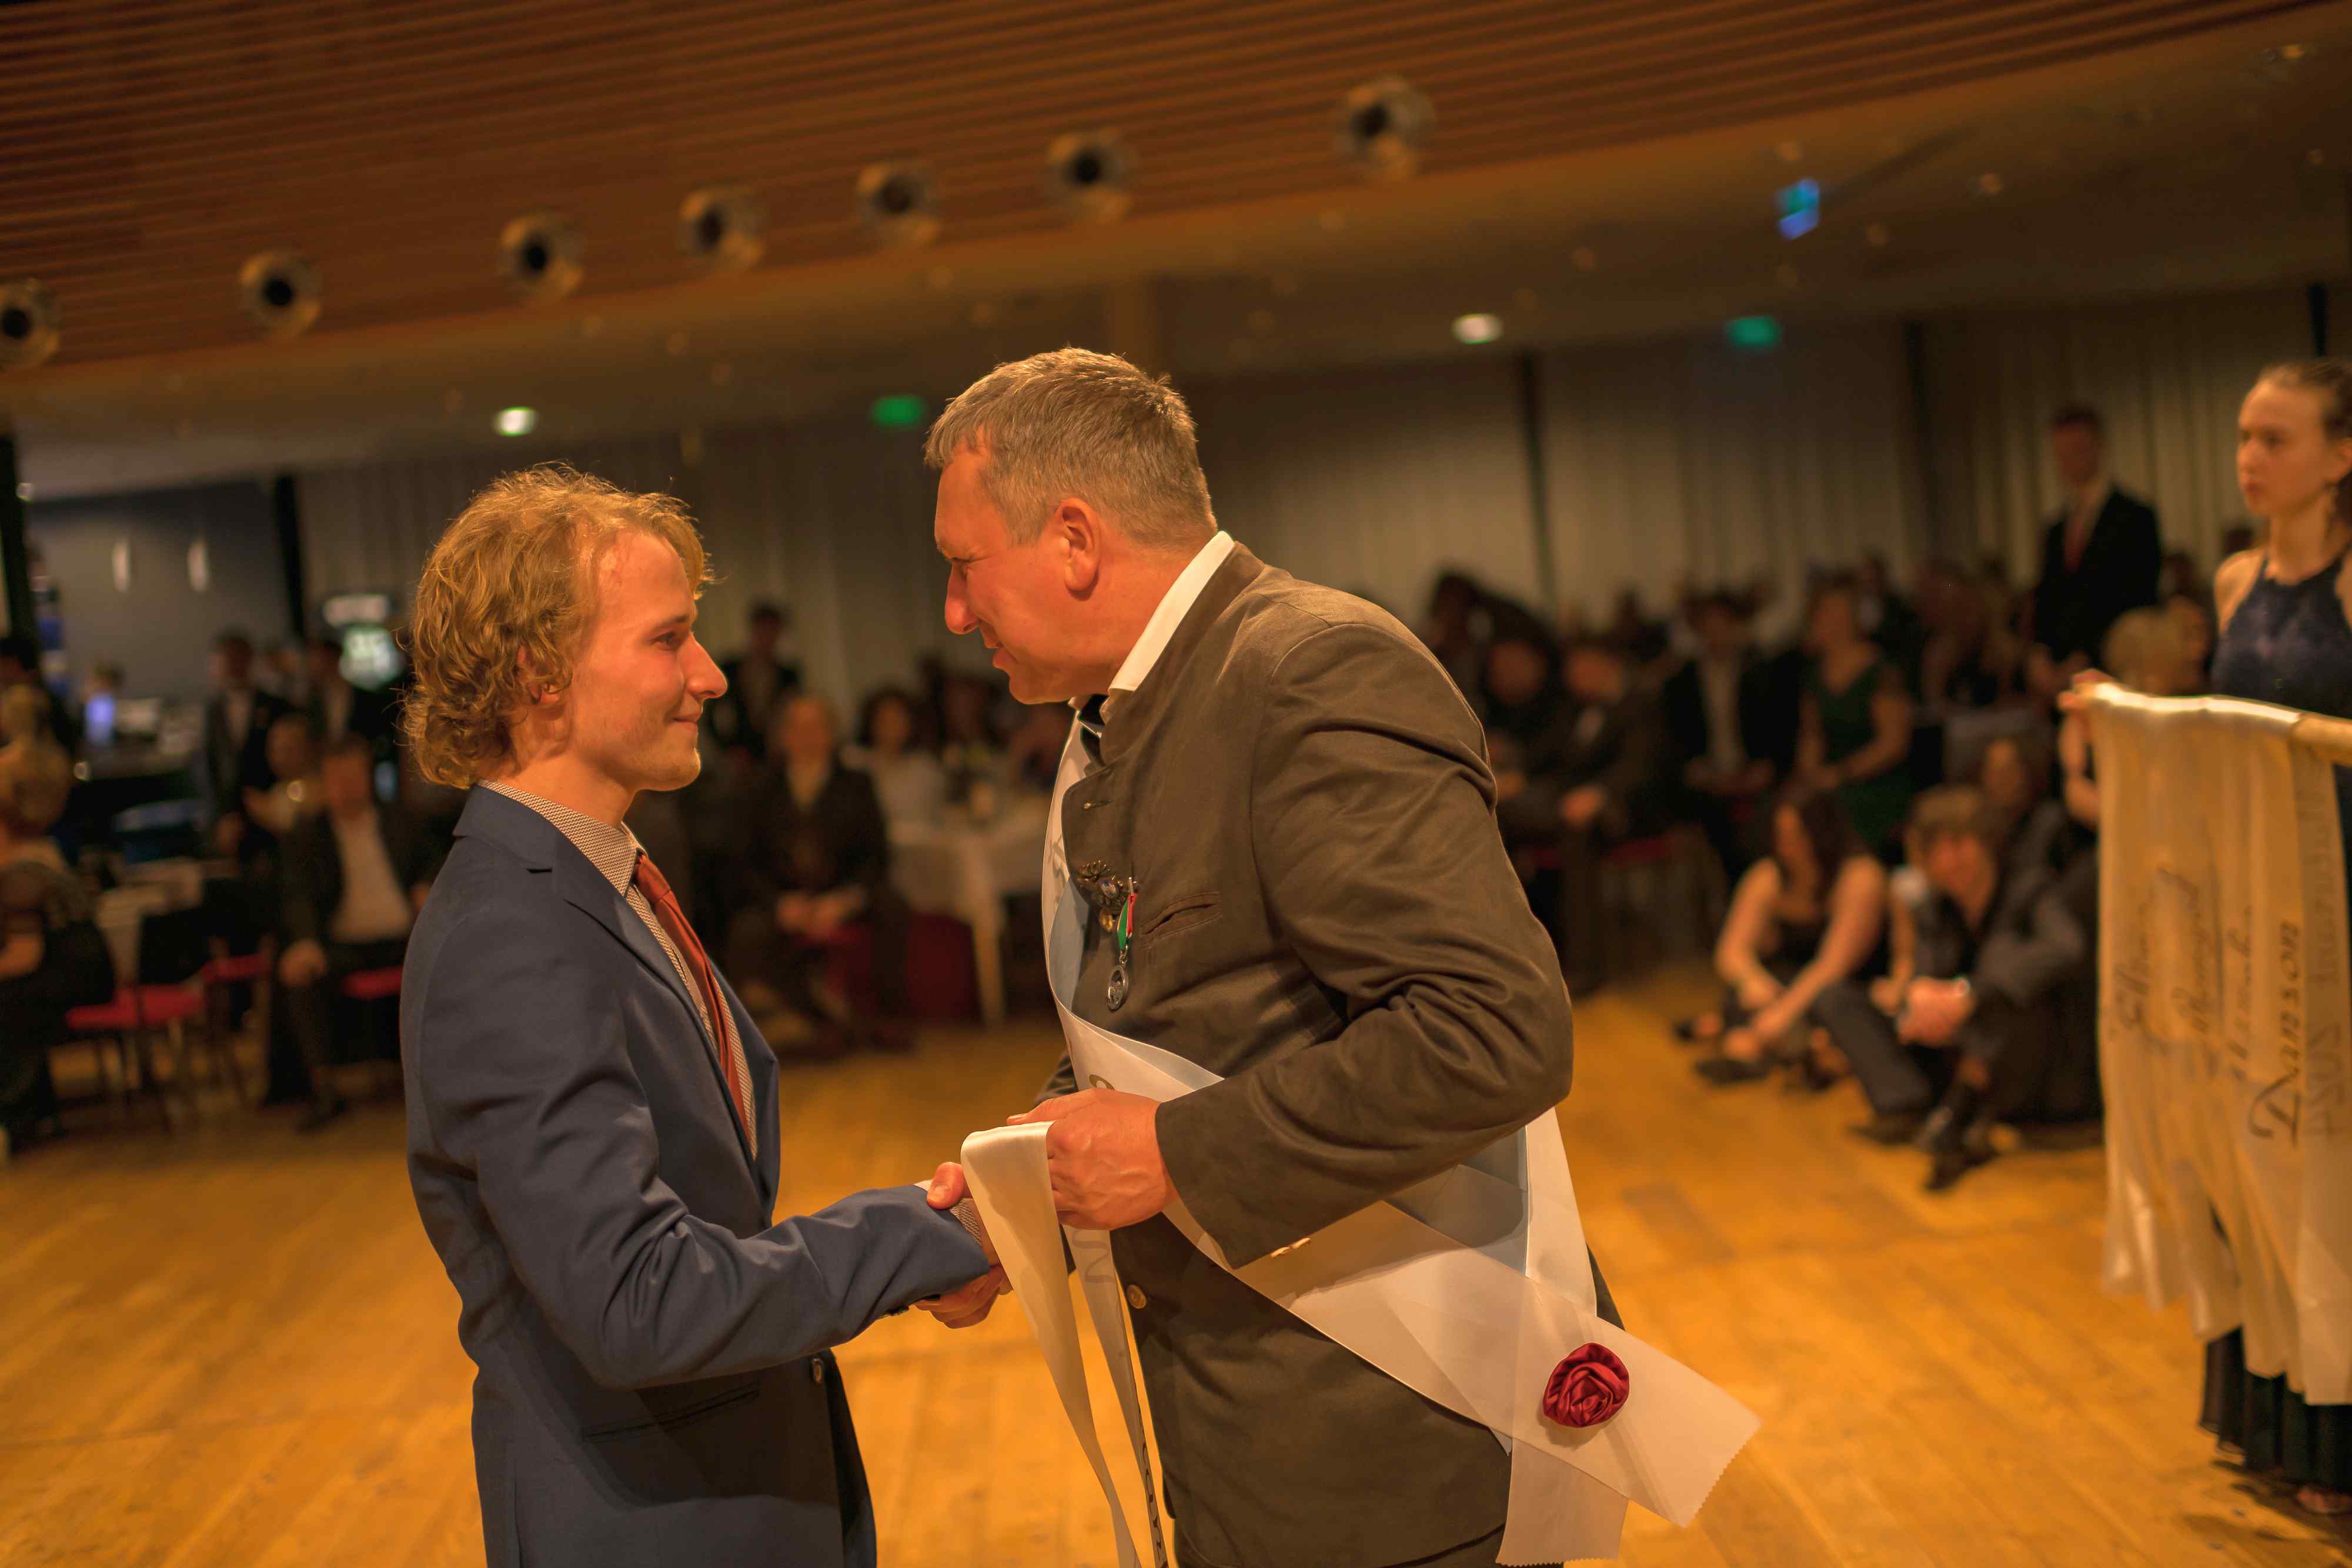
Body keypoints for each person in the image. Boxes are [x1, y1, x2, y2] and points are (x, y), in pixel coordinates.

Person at [916, 349, 1617, 1568]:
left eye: (962, 565)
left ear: (1073, 539)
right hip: (1256, 1436)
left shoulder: (1306, 672)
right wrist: (1028, 1183)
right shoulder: (1134, 708)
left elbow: (1493, 1028)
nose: (953, 613)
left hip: (1392, 1444)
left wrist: (1172, 1151)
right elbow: (1175, 1014)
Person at [397, 466, 997, 1568]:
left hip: (712, 1490)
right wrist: (915, 1236)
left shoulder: (591, 878)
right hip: (649, 1520)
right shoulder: (510, 931)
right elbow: (637, 1297)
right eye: (668, 640)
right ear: (539, 673)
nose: (710, 675)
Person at [2202, 357, 2352, 1516]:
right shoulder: (2233, 579)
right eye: (2246, 436)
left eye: (2276, 438)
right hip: (2254, 903)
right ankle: (2279, 1428)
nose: (2250, 457)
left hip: (2341, 893)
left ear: (2340, 457)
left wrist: (2301, 739)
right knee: (2261, 1159)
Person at [1816, 787, 2090, 1191]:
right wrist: (1919, 1002)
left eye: (1959, 844)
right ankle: (1908, 1105)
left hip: (2029, 1057)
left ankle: (1960, 1108)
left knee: (2005, 973)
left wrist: (1972, 995)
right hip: (1955, 1042)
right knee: (1838, 999)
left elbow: (2067, 948)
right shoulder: (1935, 909)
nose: (1947, 860)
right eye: (1935, 849)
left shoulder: (2031, 890)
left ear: (1987, 842)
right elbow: (1926, 978)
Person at [724, 693, 913, 1055]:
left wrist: (844, 901)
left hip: (843, 896)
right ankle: (812, 1016)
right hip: (787, 901)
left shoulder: (857, 784)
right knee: (746, 931)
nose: (807, 737)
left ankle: (886, 1020)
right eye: (798, 728)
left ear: (832, 733)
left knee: (893, 906)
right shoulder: (760, 789)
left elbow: (877, 857)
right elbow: (745, 864)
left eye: (816, 727)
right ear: (783, 736)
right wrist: (781, 904)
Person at [275, 734, 442, 1131]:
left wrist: (426, 885)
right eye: (339, 780)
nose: (348, 788)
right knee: (300, 974)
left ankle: (448, 1079)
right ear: (324, 783)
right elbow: (297, 896)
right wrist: (305, 942)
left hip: (404, 940)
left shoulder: (401, 820)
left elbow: (434, 860)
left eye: (355, 778)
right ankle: (325, 1090)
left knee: (453, 961)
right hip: (343, 946)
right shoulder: (310, 835)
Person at [1497, 636, 1672, 988]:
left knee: (1576, 829)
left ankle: (1585, 965)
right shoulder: (1575, 709)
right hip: (1564, 802)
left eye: (1578, 666)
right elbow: (1547, 754)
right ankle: (1520, 947)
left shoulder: (1641, 704)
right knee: (1499, 813)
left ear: (1605, 663)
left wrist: (1599, 794)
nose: (1571, 675)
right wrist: (1518, 776)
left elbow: (1639, 767)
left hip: (1624, 809)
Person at [1688, 788, 1886, 1086]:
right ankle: (1791, 1048)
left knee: (1829, 1006)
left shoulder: (1859, 875)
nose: (1787, 847)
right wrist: (1753, 981)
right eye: (1782, 837)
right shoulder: (1768, 875)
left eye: (1798, 836)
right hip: (1787, 985)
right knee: (1747, 993)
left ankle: (1773, 1046)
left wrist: (1782, 1014)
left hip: (1842, 988)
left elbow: (1833, 966)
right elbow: (1732, 950)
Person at [0, 742, 111, 1161]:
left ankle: (15, 1117)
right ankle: (35, 1111)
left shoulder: (24, 866)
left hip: (74, 971)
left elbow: (25, 955)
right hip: (70, 965)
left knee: (8, 1001)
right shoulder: (37, 848)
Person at [2027, 403, 2161, 701]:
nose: (2069, 462)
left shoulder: (2135, 517)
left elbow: (2136, 595)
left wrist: (2086, 655)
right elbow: (2047, 597)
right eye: (2061, 453)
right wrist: (2040, 654)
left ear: (2098, 447)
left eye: (2077, 450)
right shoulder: (2055, 530)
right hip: (2061, 675)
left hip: (2115, 667)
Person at [1795, 574, 1915, 860]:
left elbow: (1893, 743)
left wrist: (1842, 774)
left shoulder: (1881, 671)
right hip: (1831, 781)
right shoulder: (1815, 673)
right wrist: (1810, 773)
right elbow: (1812, 735)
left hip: (1875, 783)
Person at [1663, 591, 1777, 877]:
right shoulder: (1683, 679)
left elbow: (1779, 727)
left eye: (1723, 625)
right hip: (1706, 779)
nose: (1717, 634)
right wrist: (1696, 769)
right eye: (1709, 626)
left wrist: (1764, 768)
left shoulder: (1761, 670)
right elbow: (1675, 737)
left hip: (1753, 773)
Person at [201, 630, 297, 864]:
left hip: (272, 807)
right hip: (230, 814)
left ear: (249, 660)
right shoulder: (213, 710)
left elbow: (291, 760)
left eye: (238, 658)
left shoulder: (275, 705)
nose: (233, 665)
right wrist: (221, 815)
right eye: (228, 659)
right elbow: (211, 764)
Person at [704, 601, 801, 767]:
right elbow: (710, 713)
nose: (767, 638)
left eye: (772, 632)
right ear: (753, 630)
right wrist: (726, 749)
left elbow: (793, 716)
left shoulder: (789, 675)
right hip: (737, 755)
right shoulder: (730, 669)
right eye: (763, 631)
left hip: (775, 755)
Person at [844, 687, 947, 831]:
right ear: (871, 722)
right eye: (884, 720)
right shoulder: (853, 762)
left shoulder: (926, 767)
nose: (891, 727)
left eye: (898, 719)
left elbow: (939, 815)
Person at [302, 632, 397, 758]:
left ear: (333, 658)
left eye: (317, 659)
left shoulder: (365, 697)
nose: (312, 666)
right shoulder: (311, 700)